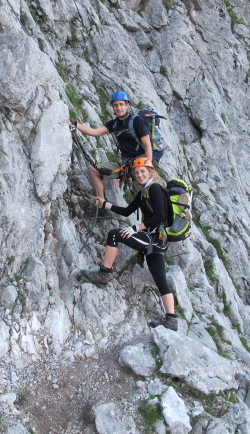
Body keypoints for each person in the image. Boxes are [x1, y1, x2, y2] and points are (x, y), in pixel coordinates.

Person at [77, 157, 178, 331]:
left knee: (115, 235)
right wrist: (105, 204)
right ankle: (171, 320)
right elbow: (127, 211)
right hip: (156, 240)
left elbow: (160, 216)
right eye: (137, 172)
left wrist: (136, 228)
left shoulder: (154, 188)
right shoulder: (144, 190)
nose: (139, 175)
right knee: (160, 278)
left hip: (155, 238)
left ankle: (104, 274)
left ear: (151, 171)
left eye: (143, 171)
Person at [69, 91, 152, 217]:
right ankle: (102, 207)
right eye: (116, 105)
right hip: (126, 166)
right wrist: (75, 124)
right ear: (112, 107)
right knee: (93, 171)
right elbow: (94, 132)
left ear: (127, 105)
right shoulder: (114, 124)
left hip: (141, 165)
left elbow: (147, 145)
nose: (119, 108)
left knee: (147, 197)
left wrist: (148, 167)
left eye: (121, 104)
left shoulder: (137, 121)